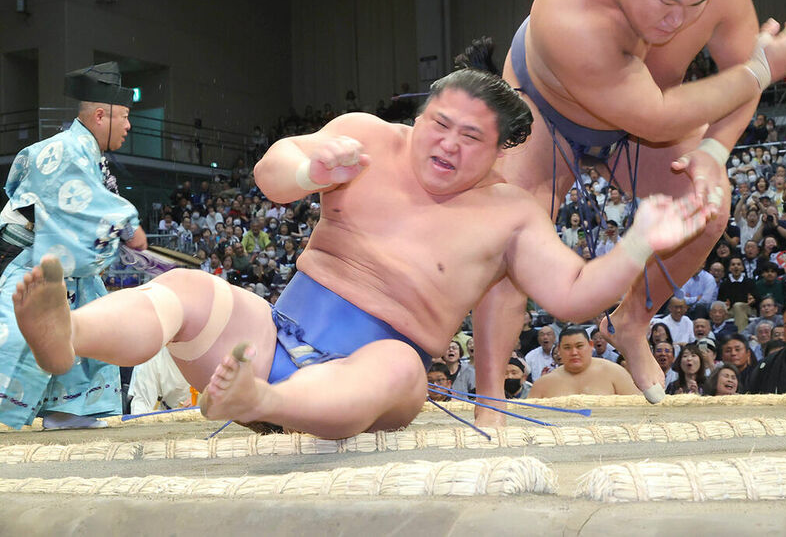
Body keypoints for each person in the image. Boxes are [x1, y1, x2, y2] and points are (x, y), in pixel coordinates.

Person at [12, 68, 708, 438]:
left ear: (500, 152)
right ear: (419, 115)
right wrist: (311, 169)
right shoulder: (367, 139)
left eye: (471, 138)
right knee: (192, 294)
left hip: (370, 370)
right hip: (275, 335)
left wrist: (641, 240)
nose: (446, 144)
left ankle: (266, 401)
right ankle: (68, 335)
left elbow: (578, 294)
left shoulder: (512, 216)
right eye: (438, 123)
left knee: (401, 370)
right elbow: (271, 172)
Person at [470, 0, 786, 417]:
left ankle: (632, 322)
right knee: (510, 247)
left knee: (707, 209)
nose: (677, 20)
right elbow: (670, 107)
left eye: (695, 5)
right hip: (546, 115)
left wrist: (715, 154)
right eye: (666, 2)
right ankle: (489, 397)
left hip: (647, 120)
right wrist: (763, 69)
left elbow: (736, 80)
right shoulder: (569, 6)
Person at [0, 62, 148, 430]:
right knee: (20, 335)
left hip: (62, 265)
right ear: (101, 115)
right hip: (28, 260)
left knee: (90, 324)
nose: (129, 126)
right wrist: (127, 223)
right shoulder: (63, 150)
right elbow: (80, 203)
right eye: (125, 117)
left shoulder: (88, 156)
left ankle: (70, 410)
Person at [527, 326, 639, 397]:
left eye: (579, 346)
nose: (574, 352)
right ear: (559, 350)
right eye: (567, 347)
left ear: (591, 346)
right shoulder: (544, 384)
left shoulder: (615, 373)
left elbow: (637, 410)